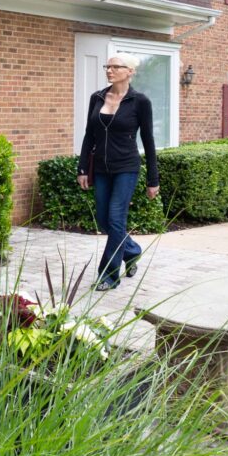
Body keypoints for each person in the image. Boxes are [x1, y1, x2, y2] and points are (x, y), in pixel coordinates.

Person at [77, 53, 159, 291]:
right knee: (104, 220)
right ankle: (132, 251)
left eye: (116, 66)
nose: (109, 70)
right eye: (108, 66)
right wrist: (82, 167)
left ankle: (108, 276)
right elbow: (89, 135)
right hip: (101, 168)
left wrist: (153, 180)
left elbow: (149, 141)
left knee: (115, 218)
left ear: (130, 71)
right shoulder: (97, 98)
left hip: (126, 167)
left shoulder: (140, 102)